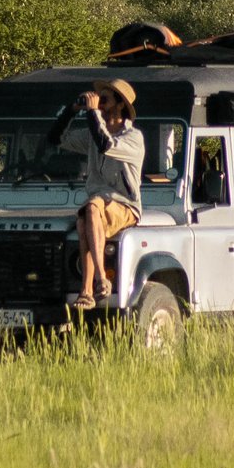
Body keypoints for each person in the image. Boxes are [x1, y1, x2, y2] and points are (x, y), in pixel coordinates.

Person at [61, 77, 145, 309]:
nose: (100, 104)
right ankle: (86, 293)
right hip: (99, 204)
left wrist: (92, 113)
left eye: (104, 100)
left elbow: (105, 145)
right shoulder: (94, 133)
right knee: (83, 222)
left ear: (120, 104)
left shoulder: (133, 137)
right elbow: (57, 139)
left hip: (125, 204)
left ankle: (100, 279)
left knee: (91, 207)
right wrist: (71, 111)